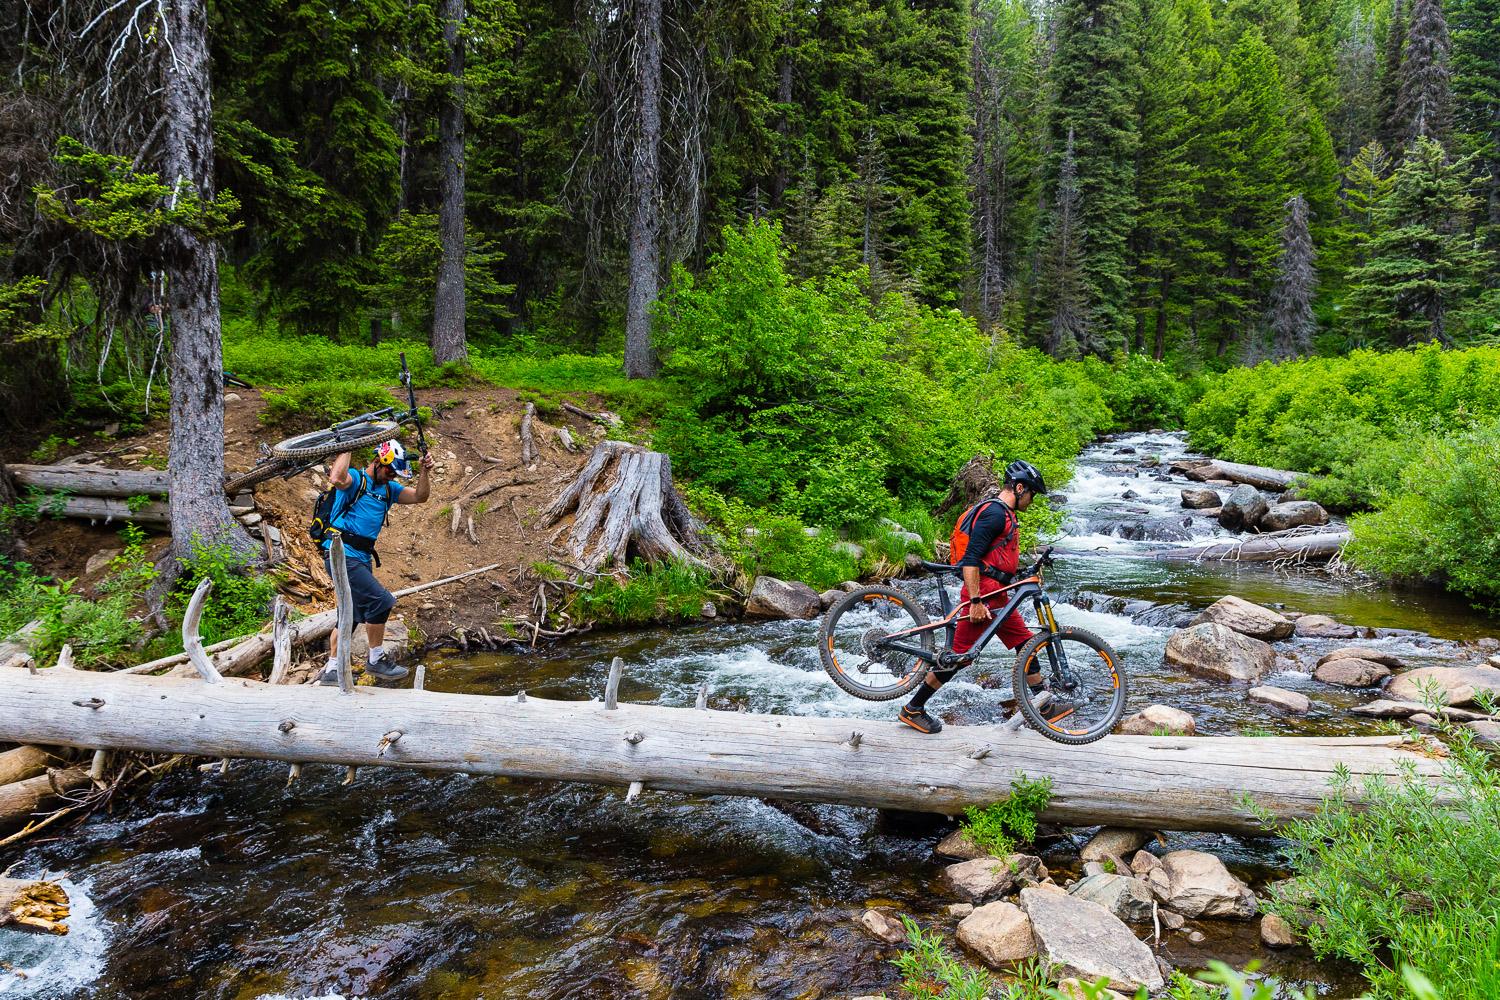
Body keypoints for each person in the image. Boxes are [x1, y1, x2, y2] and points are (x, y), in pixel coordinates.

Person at [898, 459, 1052, 734]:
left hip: (998, 594)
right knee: (959, 656)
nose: (1032, 500)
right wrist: (975, 600)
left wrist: (1020, 572)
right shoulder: (995, 513)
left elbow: (995, 558)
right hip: (985, 594)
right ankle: (913, 708)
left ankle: (1044, 705)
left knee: (1025, 642)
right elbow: (970, 561)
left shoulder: (1005, 514)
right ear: (1019, 488)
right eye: (1031, 494)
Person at [318, 440, 433, 684]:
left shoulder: (389, 489)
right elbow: (337, 479)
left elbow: (420, 497)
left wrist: (424, 470)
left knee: (350, 614)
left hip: (361, 557)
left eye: (396, 473)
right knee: (381, 601)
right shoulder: (356, 480)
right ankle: (376, 660)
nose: (391, 476)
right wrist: (348, 445)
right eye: (390, 470)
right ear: (378, 461)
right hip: (340, 554)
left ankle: (331, 670)